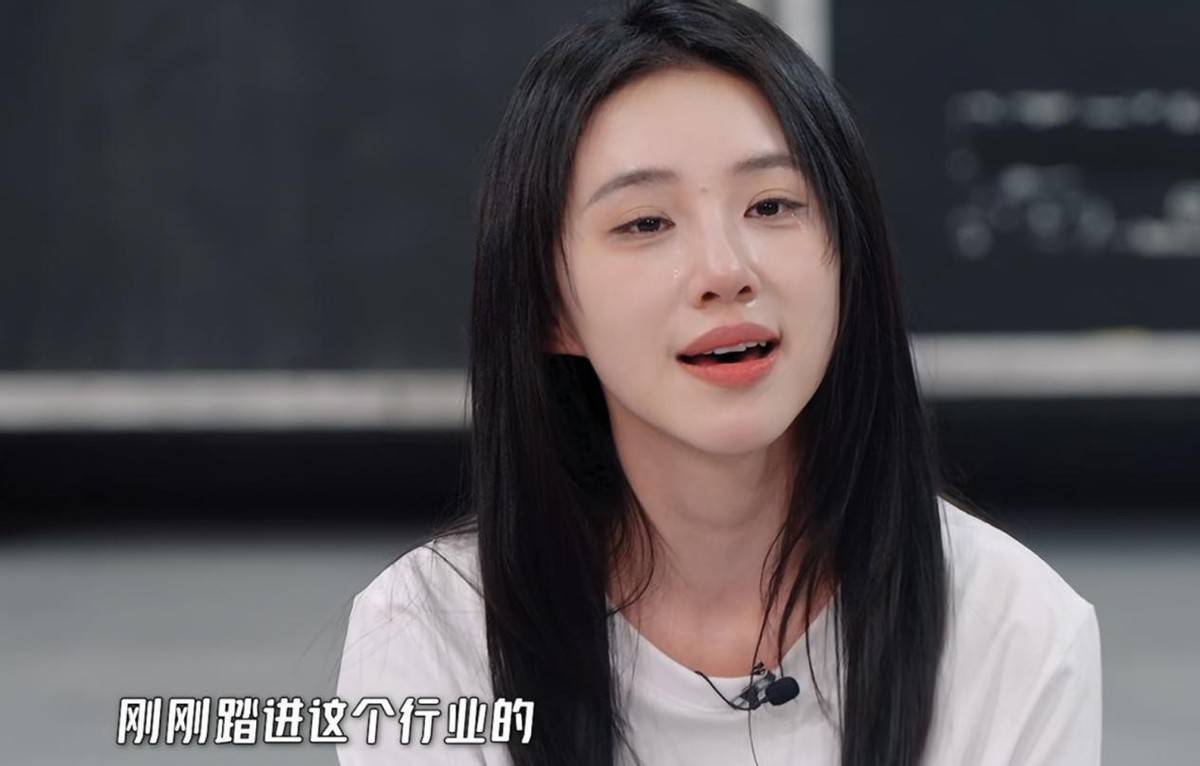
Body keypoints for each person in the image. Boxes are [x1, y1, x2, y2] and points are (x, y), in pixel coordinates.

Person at [336, 0, 1102, 764]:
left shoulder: (1014, 629)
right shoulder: (429, 641)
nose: (725, 271)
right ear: (548, 307)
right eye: (645, 223)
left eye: (771, 205)